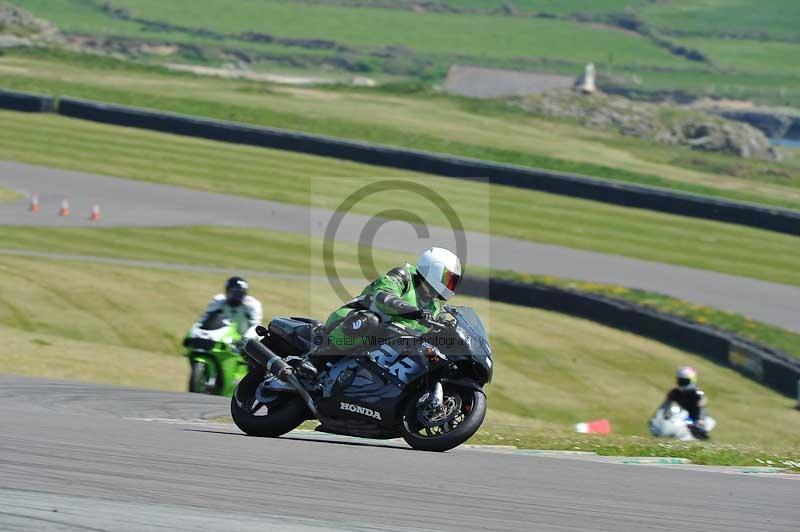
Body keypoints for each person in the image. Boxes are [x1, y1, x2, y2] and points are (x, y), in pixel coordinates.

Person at [324, 247, 462, 351]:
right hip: (348, 321)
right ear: (433, 270)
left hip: (381, 343)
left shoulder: (434, 307)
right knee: (371, 320)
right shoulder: (403, 277)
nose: (450, 285)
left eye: (453, 282)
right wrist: (415, 311)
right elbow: (383, 297)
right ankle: (316, 357)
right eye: (448, 279)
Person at [198, 276, 263, 341]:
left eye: (240, 293)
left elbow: (255, 327)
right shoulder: (219, 301)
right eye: (233, 293)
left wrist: (245, 340)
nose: (236, 296)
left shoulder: (252, 305)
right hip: (221, 337)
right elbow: (206, 319)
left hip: (243, 339)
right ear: (227, 291)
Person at [660, 366, 709, 439]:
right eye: (680, 381)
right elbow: (665, 405)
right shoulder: (675, 392)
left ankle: (699, 437)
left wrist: (700, 420)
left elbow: (702, 407)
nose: (681, 383)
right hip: (681, 415)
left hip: (694, 419)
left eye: (684, 381)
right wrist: (660, 416)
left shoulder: (697, 393)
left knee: (697, 430)